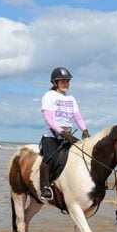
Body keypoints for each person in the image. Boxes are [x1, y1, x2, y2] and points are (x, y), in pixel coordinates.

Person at [39, 67, 90, 200]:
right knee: (49, 158)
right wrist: (61, 132)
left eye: (67, 81)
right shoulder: (48, 96)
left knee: (82, 156)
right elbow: (48, 119)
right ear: (55, 83)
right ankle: (44, 187)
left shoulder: (71, 99)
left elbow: (77, 117)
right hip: (52, 136)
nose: (65, 83)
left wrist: (84, 130)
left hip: (68, 134)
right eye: (62, 81)